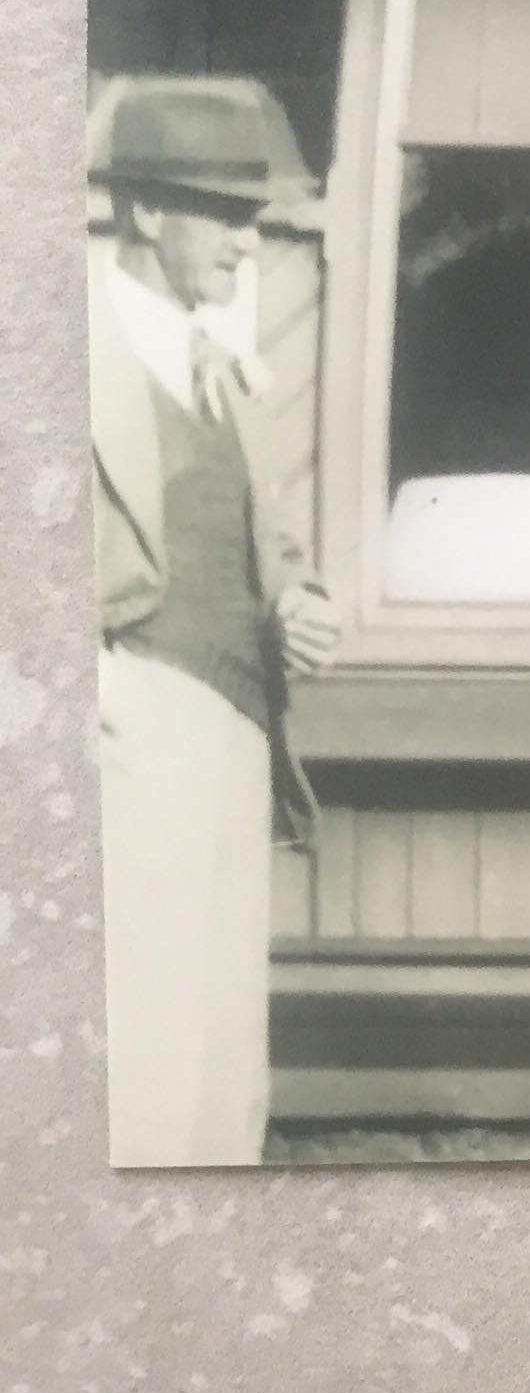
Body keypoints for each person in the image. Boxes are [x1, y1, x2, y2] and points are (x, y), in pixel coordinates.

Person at [86, 77, 341, 1166]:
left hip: (238, 727)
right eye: (228, 214)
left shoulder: (217, 368)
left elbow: (261, 545)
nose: (251, 244)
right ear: (149, 213)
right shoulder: (56, 357)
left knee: (225, 1047)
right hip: (126, 721)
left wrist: (298, 601)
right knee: (141, 1044)